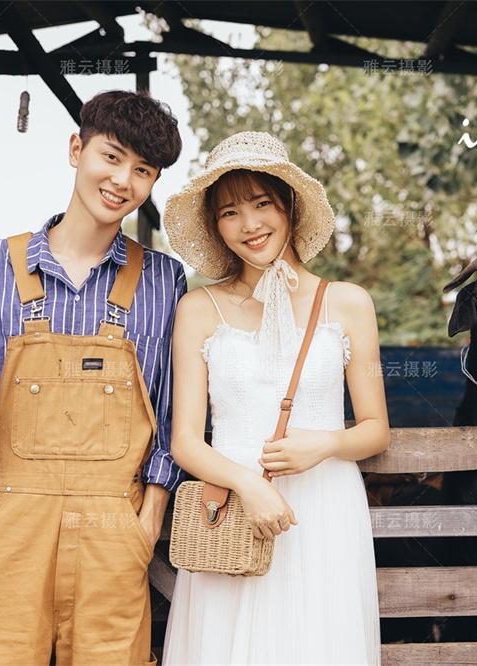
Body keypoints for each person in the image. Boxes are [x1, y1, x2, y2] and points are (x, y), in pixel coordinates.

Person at [0, 90, 186, 665]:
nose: (122, 180)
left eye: (143, 170)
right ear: (77, 149)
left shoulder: (164, 280)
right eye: (111, 157)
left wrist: (149, 518)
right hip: (8, 523)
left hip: (114, 528)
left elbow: (171, 409)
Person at [161, 131, 389, 664]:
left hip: (325, 508)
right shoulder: (199, 308)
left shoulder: (348, 302)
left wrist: (326, 444)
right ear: (216, 226)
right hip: (231, 508)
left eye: (261, 204)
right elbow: (185, 441)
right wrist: (246, 484)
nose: (249, 224)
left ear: (288, 205)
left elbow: (376, 428)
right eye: (230, 212)